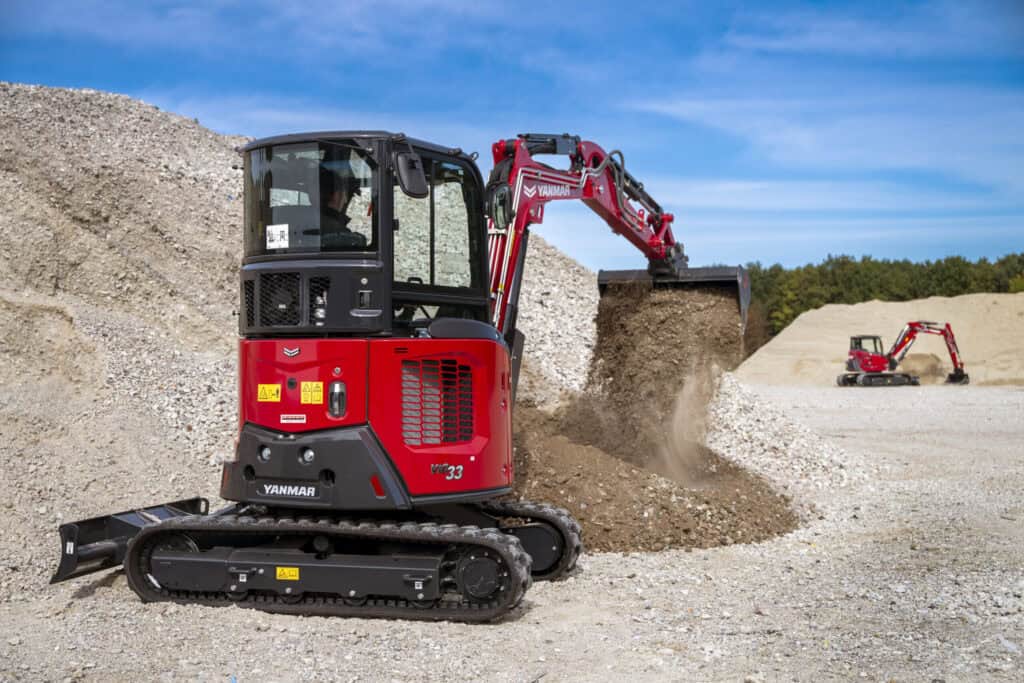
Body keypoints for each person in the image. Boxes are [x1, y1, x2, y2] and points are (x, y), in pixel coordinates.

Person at [320, 169, 366, 247]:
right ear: (336, 196)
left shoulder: (306, 221)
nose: (345, 200)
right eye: (344, 194)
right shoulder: (337, 232)